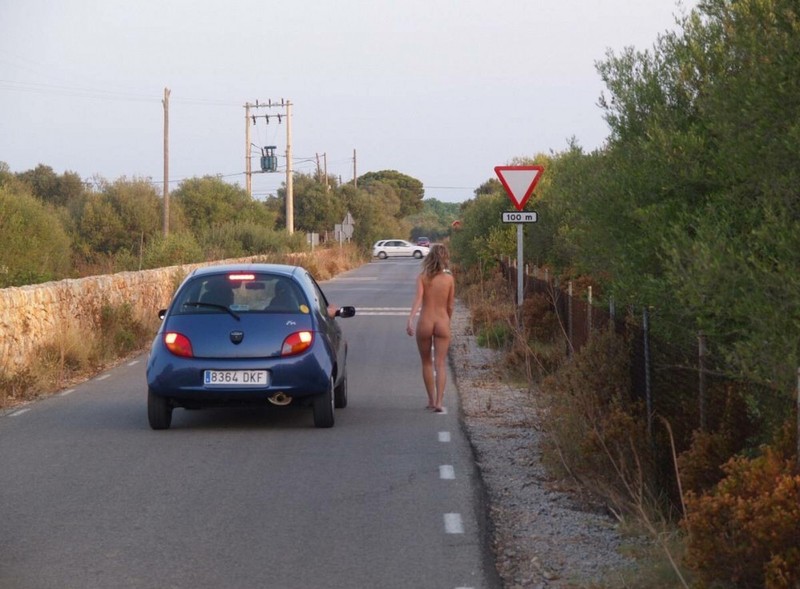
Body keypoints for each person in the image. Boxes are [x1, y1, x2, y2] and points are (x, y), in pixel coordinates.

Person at [406, 243, 455, 413]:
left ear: (430, 258)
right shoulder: (449, 279)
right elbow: (450, 305)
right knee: (440, 364)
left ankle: (431, 400)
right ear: (445, 258)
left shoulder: (422, 277)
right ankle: (440, 402)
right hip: (442, 321)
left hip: (425, 322)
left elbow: (418, 299)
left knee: (426, 362)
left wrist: (411, 318)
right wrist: (448, 320)